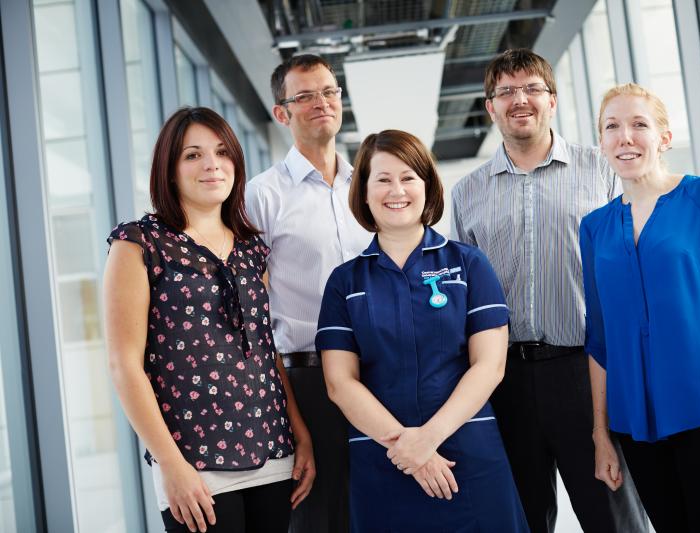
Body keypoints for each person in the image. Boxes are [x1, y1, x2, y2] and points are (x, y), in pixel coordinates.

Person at [451, 49, 647, 532]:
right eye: (506, 92)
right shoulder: (466, 193)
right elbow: (463, 301)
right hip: (504, 380)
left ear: (552, 100)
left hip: (588, 373)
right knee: (520, 518)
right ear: (490, 106)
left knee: (613, 514)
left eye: (532, 88)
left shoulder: (600, 171)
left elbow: (632, 268)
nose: (520, 100)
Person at [105, 107, 315, 533]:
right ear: (169, 169)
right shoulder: (139, 244)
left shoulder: (252, 249)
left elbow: (263, 349)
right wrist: (169, 464)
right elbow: (124, 365)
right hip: (193, 459)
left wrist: (300, 432)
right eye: (192, 155)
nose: (211, 164)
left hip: (272, 449)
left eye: (222, 152)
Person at [316, 129, 529, 532]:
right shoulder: (344, 282)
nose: (396, 190)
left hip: (465, 450)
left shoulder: (468, 265)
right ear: (362, 192)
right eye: (382, 179)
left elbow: (489, 365)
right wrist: (406, 447)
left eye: (409, 177)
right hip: (383, 457)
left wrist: (428, 439)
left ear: (427, 186)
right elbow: (340, 383)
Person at [581, 82, 700, 532]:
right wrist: (601, 436)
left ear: (663, 137)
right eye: (612, 127)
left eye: (639, 124)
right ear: (601, 143)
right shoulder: (594, 228)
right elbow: (600, 340)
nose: (625, 137)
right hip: (636, 427)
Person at [245, 54, 372, 533]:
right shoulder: (261, 196)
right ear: (282, 113)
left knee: (377, 508)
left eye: (329, 91)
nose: (322, 103)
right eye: (305, 96)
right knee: (318, 517)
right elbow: (251, 309)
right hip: (307, 380)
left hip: (376, 373)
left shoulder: (367, 184)